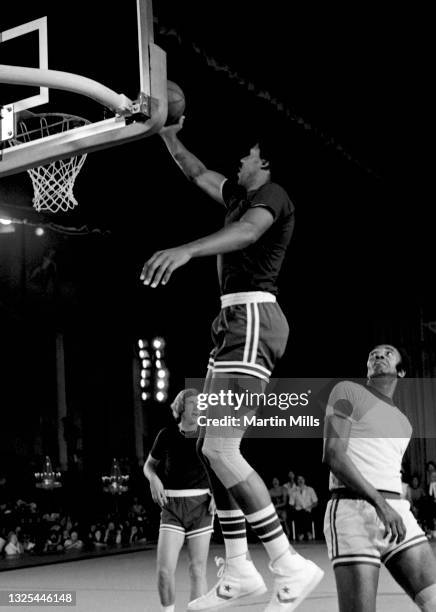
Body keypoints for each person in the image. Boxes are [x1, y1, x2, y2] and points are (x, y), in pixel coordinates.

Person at [141, 118, 323, 611]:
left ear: (265, 164)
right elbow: (195, 169)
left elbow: (246, 235)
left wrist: (186, 250)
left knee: (221, 447)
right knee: (209, 444)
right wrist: (164, 129)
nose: (239, 160)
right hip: (232, 323)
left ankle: (288, 562)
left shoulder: (275, 196)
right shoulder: (238, 196)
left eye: (248, 154)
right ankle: (240, 567)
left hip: (253, 318)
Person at [323, 344, 436, 612]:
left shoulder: (404, 423)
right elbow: (334, 455)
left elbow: (384, 470)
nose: (378, 355)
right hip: (353, 512)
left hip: (397, 514)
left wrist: (392, 506)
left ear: (402, 371)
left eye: (388, 352)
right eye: (373, 353)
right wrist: (379, 504)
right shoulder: (347, 391)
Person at [143, 389, 214, 612]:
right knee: (164, 571)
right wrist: (153, 479)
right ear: (181, 408)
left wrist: (220, 496)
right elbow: (149, 466)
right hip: (171, 506)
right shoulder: (166, 435)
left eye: (199, 404)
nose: (197, 407)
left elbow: (223, 467)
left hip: (201, 506)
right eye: (192, 403)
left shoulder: (207, 434)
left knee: (197, 570)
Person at [292, 476, 318, 541]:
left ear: (304, 480)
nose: (300, 480)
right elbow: (291, 503)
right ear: (297, 481)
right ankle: (307, 532)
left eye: (302, 479)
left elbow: (315, 502)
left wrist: (309, 507)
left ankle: (302, 533)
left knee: (305, 514)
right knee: (301, 513)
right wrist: (295, 507)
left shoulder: (310, 489)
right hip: (298, 511)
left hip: (309, 510)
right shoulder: (293, 491)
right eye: (298, 479)